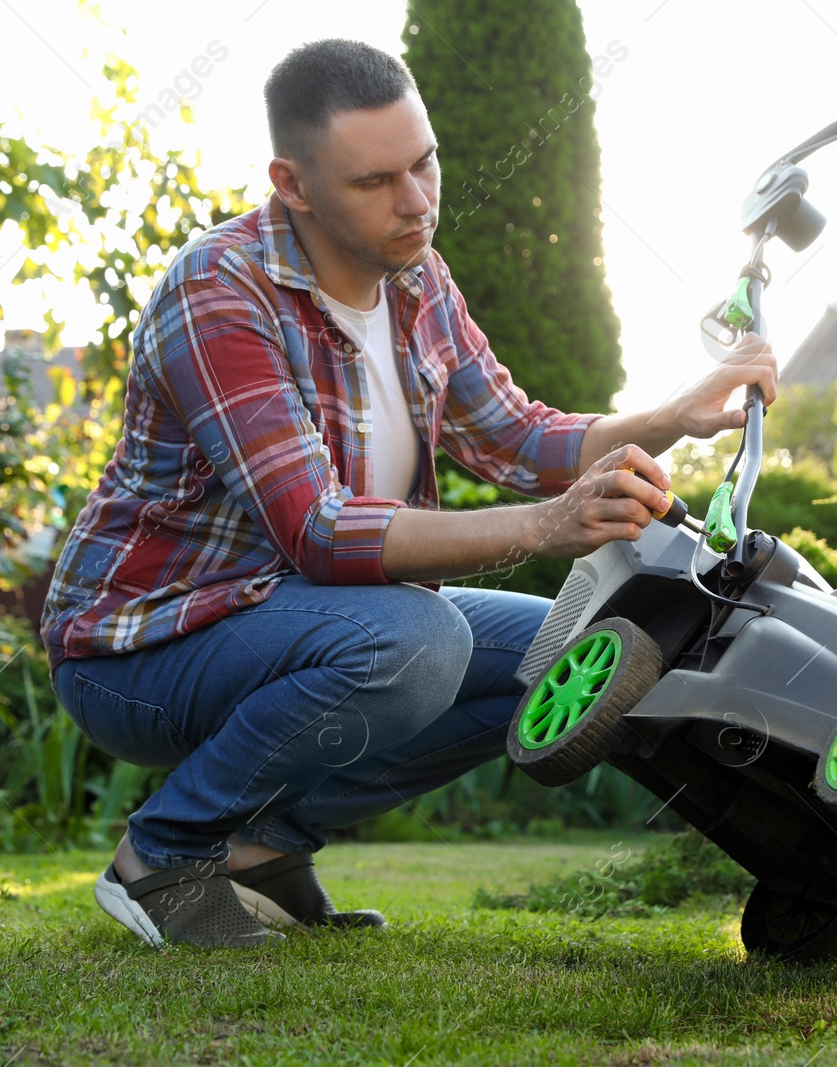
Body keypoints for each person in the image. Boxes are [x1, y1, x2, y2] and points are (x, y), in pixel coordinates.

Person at [40, 38, 776, 949]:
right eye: (375, 181)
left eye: (424, 163)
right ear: (294, 183)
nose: (418, 201)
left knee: (572, 651)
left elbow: (516, 434)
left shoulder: (416, 278)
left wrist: (672, 414)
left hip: (304, 619)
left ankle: (265, 846)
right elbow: (319, 530)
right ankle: (163, 853)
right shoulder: (220, 292)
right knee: (418, 638)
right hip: (143, 650)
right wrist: (549, 526)